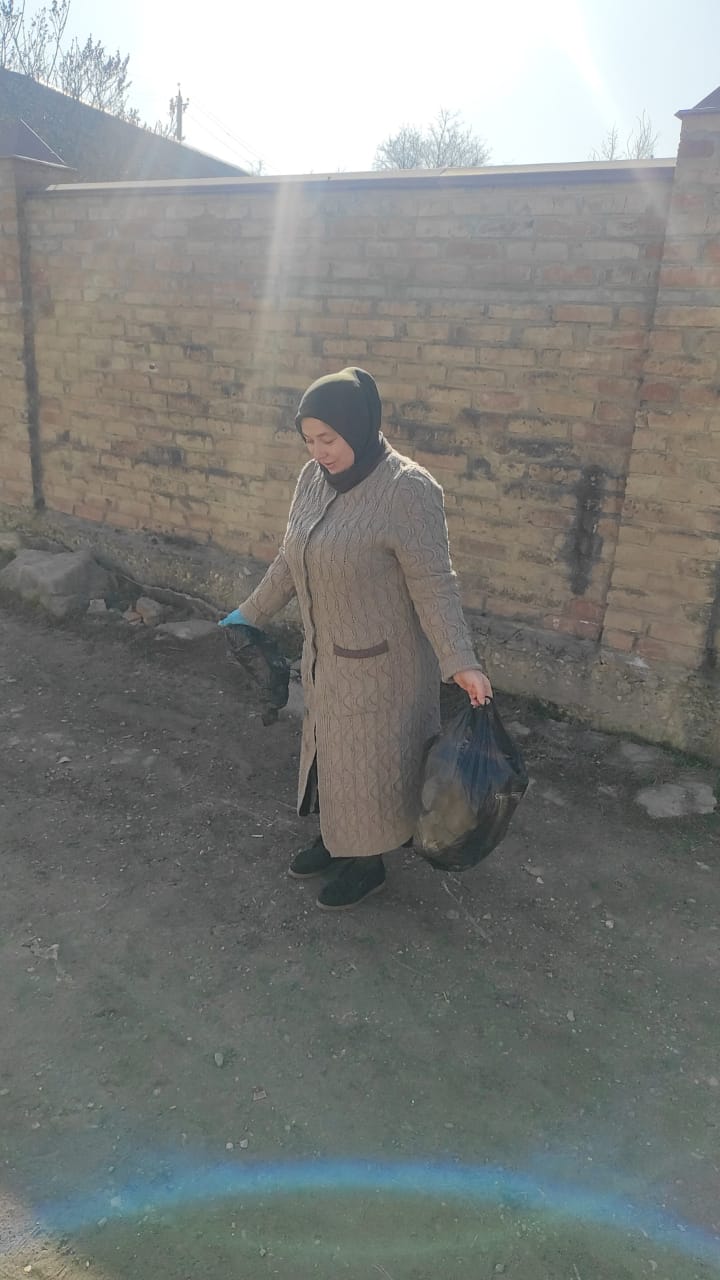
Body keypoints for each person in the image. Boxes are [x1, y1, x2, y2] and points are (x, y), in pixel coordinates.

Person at [219, 367, 493, 911]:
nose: (318, 451)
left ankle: (367, 864)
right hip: (325, 659)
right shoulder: (312, 478)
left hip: (384, 667)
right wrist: (247, 614)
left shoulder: (407, 489)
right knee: (331, 759)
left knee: (370, 768)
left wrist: (460, 660)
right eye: (308, 440)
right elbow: (291, 558)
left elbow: (434, 582)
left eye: (328, 438)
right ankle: (336, 838)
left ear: (359, 427)